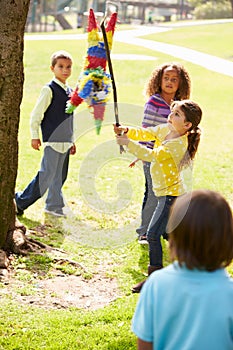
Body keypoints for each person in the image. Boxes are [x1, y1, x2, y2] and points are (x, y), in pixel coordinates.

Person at [114, 99, 202, 292]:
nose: (171, 115)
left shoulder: (178, 145)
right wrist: (128, 130)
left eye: (177, 114)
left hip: (171, 196)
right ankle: (194, 262)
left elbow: (151, 155)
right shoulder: (167, 129)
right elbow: (147, 133)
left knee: (152, 234)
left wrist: (127, 143)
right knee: (167, 233)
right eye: (173, 111)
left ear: (187, 125)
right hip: (165, 193)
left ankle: (153, 278)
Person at [132, 189, 233, 350]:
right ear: (227, 238)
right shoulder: (229, 293)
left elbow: (145, 344)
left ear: (176, 236)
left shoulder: (157, 284)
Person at [131, 63, 191, 243]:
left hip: (171, 157)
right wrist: (142, 152)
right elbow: (146, 129)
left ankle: (164, 230)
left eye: (174, 79)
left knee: (169, 196)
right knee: (152, 193)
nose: (169, 82)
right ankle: (144, 231)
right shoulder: (154, 102)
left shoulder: (180, 106)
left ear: (181, 83)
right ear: (159, 80)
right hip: (153, 156)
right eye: (166, 78)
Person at [15, 50, 76, 217]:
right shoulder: (49, 90)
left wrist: (73, 140)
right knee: (46, 176)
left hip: (65, 141)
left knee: (60, 176)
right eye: (61, 66)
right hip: (52, 141)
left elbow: (70, 118)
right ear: (52, 68)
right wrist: (35, 136)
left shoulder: (70, 92)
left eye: (68, 67)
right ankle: (20, 201)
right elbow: (36, 115)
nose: (65, 70)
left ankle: (53, 205)